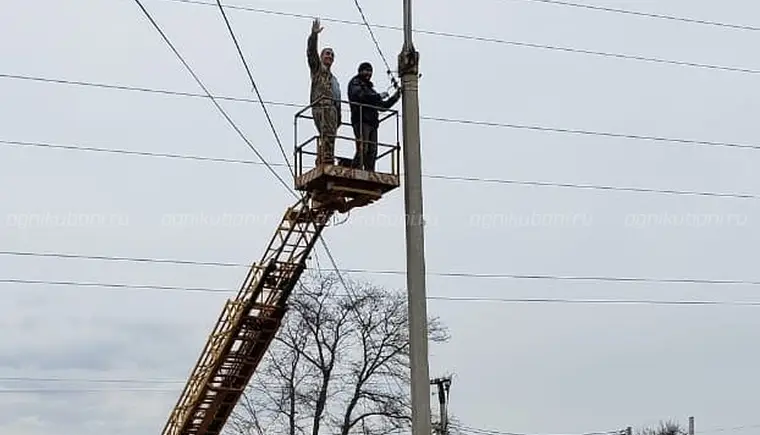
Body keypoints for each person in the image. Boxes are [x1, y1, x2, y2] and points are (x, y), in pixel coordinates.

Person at [347, 62, 400, 171]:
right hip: (361, 120)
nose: (368, 73)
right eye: (366, 70)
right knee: (363, 148)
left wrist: (396, 96)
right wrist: (378, 96)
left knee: (372, 150)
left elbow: (382, 106)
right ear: (360, 71)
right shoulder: (355, 83)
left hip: (372, 123)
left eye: (370, 71)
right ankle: (355, 170)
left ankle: (369, 171)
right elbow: (359, 96)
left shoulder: (370, 89)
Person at [307, 18, 341, 166]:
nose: (329, 56)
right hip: (320, 106)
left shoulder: (333, 79)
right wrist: (314, 36)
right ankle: (325, 159)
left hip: (332, 110)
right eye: (327, 54)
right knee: (326, 134)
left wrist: (339, 115)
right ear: (322, 57)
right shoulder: (317, 70)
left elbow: (337, 97)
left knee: (330, 136)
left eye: (332, 55)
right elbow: (311, 53)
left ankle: (325, 158)